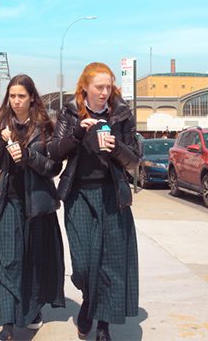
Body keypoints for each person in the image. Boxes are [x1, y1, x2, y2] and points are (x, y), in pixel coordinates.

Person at [49, 62, 140, 341]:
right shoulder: (70, 112)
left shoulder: (122, 114)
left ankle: (103, 325)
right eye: (99, 87)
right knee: (85, 264)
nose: (104, 92)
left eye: (108, 87)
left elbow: (135, 160)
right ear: (84, 88)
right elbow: (54, 151)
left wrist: (116, 146)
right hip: (78, 197)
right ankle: (89, 300)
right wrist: (77, 132)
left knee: (110, 264)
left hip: (112, 195)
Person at [0, 75, 65, 341]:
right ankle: (6, 327)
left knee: (33, 260)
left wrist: (29, 156)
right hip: (9, 202)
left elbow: (54, 167)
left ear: (32, 98)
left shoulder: (45, 127)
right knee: (7, 260)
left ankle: (32, 312)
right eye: (12, 96)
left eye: (21, 96)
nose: (16, 101)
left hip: (37, 204)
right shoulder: (0, 125)